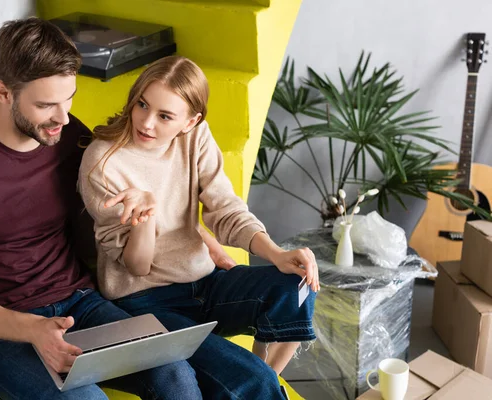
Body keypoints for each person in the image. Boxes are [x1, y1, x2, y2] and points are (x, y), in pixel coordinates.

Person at [0, 18, 233, 400]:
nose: (63, 117)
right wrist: (32, 328)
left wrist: (198, 235)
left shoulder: (67, 137)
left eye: (69, 98)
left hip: (81, 303)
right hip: (1, 333)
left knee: (175, 373)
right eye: (46, 104)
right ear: (3, 92)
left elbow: (130, 190)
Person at [78, 55, 320, 400]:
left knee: (296, 285)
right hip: (144, 302)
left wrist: (277, 254)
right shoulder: (103, 163)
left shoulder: (194, 138)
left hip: (205, 283)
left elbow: (225, 208)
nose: (146, 123)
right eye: (142, 105)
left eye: (165, 116)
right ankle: (257, 384)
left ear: (191, 121)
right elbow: (136, 266)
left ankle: (260, 380)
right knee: (249, 379)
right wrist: (145, 217)